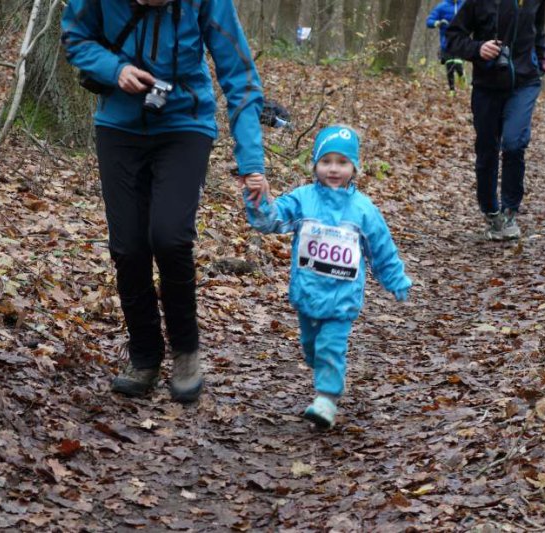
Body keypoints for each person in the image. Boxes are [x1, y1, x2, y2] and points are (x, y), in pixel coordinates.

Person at [61, 0, 268, 402]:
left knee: (170, 237)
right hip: (118, 127)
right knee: (128, 247)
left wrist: (251, 162)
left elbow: (239, 75)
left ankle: (186, 352)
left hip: (184, 124)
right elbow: (75, 37)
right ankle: (144, 356)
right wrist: (114, 69)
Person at [243, 126, 412, 430]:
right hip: (308, 294)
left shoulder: (363, 210)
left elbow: (381, 249)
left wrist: (396, 280)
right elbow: (272, 219)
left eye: (342, 162)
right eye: (327, 161)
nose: (334, 169)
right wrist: (259, 197)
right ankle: (324, 373)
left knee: (330, 347)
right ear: (315, 165)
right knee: (311, 347)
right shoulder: (303, 199)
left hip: (342, 300)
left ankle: (326, 399)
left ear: (354, 168)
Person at [445, 0, 545, 241]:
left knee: (513, 143)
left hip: (524, 82)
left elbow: (539, 31)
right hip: (487, 86)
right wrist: (478, 48)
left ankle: (510, 210)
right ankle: (491, 212)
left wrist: (540, 62)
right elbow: (453, 37)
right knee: (487, 150)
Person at [426, 0, 466, 96]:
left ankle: (461, 75)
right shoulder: (442, 6)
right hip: (446, 41)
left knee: (457, 63)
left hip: (461, 41)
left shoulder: (465, 4)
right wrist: (437, 23)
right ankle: (452, 90)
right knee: (449, 65)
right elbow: (429, 21)